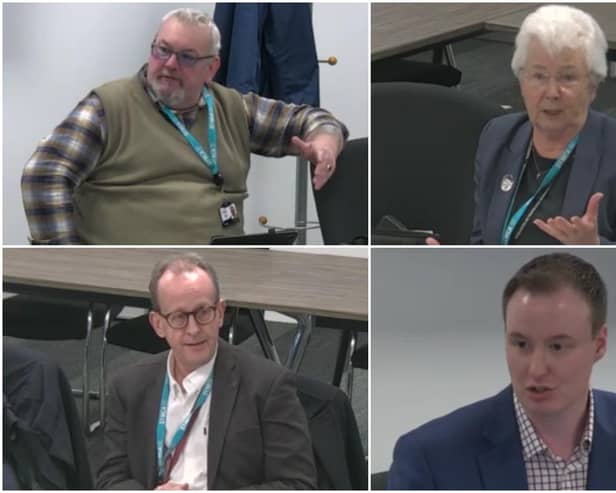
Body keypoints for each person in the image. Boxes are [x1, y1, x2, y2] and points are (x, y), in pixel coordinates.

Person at [21, 8, 348, 245]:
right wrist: (71, 259)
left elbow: (310, 119)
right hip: (141, 278)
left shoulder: (233, 106)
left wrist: (325, 140)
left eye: (187, 57)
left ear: (212, 67)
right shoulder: (109, 107)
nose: (170, 64)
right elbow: (43, 174)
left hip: (226, 271)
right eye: (163, 50)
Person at [388, 253, 615, 489]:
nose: (536, 369)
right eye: (521, 344)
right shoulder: (429, 459)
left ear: (599, 344)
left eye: (557, 346)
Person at [96, 252, 316, 490]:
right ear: (158, 324)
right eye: (179, 317)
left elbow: (297, 485)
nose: (193, 329)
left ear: (220, 312)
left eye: (203, 313)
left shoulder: (268, 385)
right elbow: (110, 479)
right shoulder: (128, 386)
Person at [470, 5, 616, 245]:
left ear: (593, 86)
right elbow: (481, 240)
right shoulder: (498, 136)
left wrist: (597, 250)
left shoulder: (611, 148)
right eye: (538, 76)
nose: (552, 92)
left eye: (567, 77)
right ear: (521, 82)